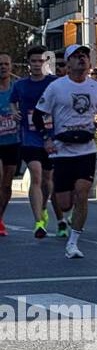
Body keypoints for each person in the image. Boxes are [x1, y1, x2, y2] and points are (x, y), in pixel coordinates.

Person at [33, 44, 97, 258]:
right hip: (62, 151)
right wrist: (46, 139)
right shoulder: (56, 88)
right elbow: (37, 116)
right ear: (68, 64)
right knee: (64, 203)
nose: (82, 59)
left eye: (85, 56)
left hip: (86, 150)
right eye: (77, 56)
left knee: (82, 193)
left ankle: (73, 242)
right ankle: (65, 218)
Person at [11, 45, 64, 238]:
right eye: (33, 61)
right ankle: (38, 222)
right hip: (29, 137)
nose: (36, 65)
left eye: (40, 61)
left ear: (45, 63)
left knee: (48, 180)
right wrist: (14, 111)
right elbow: (13, 101)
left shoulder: (54, 83)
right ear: (28, 64)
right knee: (36, 174)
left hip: (51, 137)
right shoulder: (21, 85)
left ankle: (43, 209)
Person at [0, 53, 18, 235]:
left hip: (13, 141)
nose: (3, 67)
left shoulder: (16, 88)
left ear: (11, 66)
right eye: (0, 64)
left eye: (6, 64)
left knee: (6, 184)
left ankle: (0, 218)